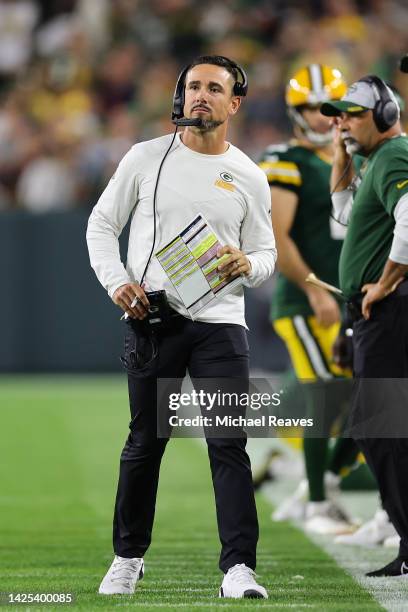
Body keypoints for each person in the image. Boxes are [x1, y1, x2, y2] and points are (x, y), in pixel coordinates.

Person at [86, 55, 276, 599]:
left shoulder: (248, 174)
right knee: (146, 441)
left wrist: (250, 264)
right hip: (154, 320)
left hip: (221, 324)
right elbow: (102, 224)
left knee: (229, 444)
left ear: (233, 103)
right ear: (180, 94)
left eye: (213, 88)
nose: (199, 96)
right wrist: (116, 281)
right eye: (192, 86)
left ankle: (238, 568)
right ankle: (127, 558)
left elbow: (266, 252)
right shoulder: (145, 158)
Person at [258, 64, 360, 535]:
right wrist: (316, 289)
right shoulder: (286, 159)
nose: (321, 118)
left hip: (353, 299)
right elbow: (277, 238)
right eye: (310, 109)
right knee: (323, 393)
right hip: (305, 301)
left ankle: (317, 486)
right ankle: (318, 503)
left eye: (328, 108)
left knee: (371, 401)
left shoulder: (354, 155)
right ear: (294, 110)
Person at [320, 74, 408, 576]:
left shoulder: (395, 155)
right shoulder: (375, 161)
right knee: (381, 428)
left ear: (384, 116)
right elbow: (345, 219)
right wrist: (342, 158)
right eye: (339, 115)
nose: (341, 123)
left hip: (389, 310)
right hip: (375, 312)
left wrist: (387, 281)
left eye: (352, 114)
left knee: (381, 427)